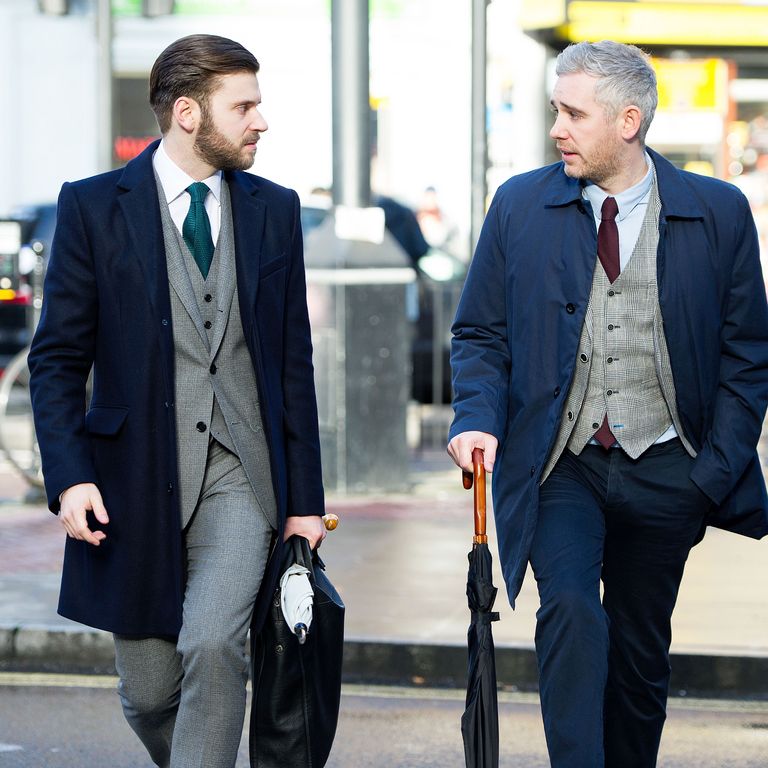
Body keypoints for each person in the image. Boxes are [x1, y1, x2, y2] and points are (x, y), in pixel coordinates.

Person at [448, 40, 768, 767]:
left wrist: (711, 473)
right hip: (565, 465)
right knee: (569, 615)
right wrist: (473, 416)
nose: (557, 127)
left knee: (639, 652)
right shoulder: (520, 206)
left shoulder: (717, 213)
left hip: (670, 469)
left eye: (572, 113)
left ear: (629, 121)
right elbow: (480, 333)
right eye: (555, 111)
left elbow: (748, 353)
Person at [28, 34, 326, 768]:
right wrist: (68, 477)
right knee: (151, 691)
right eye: (245, 106)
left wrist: (306, 499)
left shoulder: (274, 210)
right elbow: (58, 359)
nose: (261, 122)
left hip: (241, 474)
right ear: (189, 113)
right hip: (133, 480)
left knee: (214, 647)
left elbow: (293, 368)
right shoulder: (95, 208)